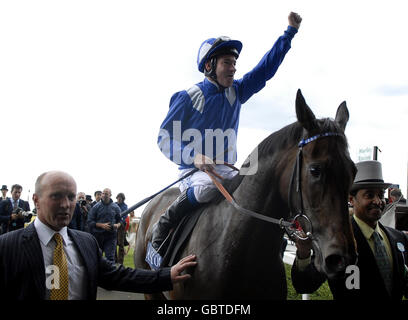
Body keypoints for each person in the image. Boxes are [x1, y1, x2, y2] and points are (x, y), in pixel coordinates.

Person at [152, 12, 302, 254]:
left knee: (258, 187)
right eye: (227, 63)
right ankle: (164, 224)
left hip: (225, 168)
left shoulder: (237, 91)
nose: (233, 69)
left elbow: (265, 69)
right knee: (205, 189)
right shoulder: (188, 96)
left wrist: (289, 33)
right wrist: (194, 157)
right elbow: (164, 138)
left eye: (234, 64)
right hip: (194, 172)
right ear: (209, 66)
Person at [0, 171, 196, 300]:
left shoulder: (86, 243)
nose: (66, 204)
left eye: (70, 197)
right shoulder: (7, 247)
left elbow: (119, 276)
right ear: (36, 200)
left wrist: (166, 276)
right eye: (56, 196)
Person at [291, 160, 408, 300]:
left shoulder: (398, 238)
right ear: (351, 199)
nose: (378, 201)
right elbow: (304, 285)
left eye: (381, 195)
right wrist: (303, 253)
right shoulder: (335, 241)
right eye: (369, 195)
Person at [87, 188, 122, 262]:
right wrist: (101, 225)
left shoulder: (116, 207)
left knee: (110, 258)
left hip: (111, 237)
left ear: (110, 195)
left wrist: (117, 225)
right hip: (98, 236)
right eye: (103, 193)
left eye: (106, 193)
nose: (104, 195)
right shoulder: (96, 207)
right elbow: (89, 221)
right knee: (96, 258)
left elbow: (120, 220)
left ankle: (110, 273)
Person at [115, 192, 128, 264]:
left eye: (120, 198)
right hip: (114, 225)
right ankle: (114, 260)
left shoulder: (125, 206)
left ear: (123, 199)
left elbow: (124, 216)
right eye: (118, 198)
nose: (119, 199)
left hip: (121, 226)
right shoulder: (114, 204)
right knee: (113, 243)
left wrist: (119, 223)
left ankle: (120, 262)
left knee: (120, 244)